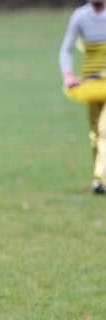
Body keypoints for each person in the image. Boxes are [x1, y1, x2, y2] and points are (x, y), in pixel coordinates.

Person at [60, 0, 106, 194]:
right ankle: (99, 179)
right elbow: (66, 49)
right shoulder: (80, 17)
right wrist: (68, 74)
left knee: (105, 129)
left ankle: (100, 179)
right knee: (95, 133)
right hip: (90, 84)